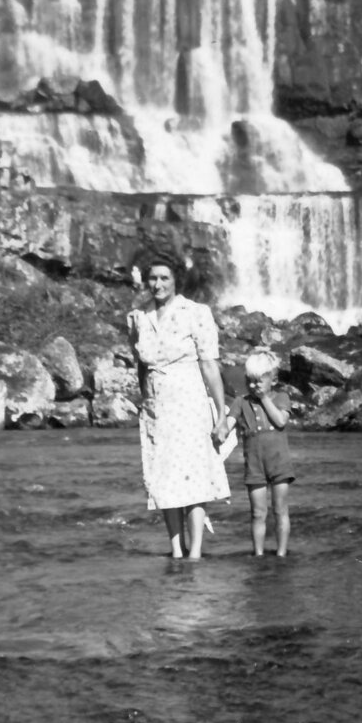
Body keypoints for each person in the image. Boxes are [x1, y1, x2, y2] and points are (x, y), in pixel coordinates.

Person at [127, 238, 230, 559]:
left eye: (164, 278)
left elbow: (210, 366)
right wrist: (145, 402)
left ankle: (195, 552)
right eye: (153, 278)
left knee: (193, 477)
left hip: (190, 405)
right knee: (163, 479)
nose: (157, 284)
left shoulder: (196, 313)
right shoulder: (137, 318)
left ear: (175, 281)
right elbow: (140, 366)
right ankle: (176, 549)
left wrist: (222, 415)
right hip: (157, 410)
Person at [222, 349, 295, 557]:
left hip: (279, 463)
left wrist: (264, 399)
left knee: (280, 510)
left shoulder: (281, 397)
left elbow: (280, 421)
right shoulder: (240, 402)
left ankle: (281, 554)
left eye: (258, 381)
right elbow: (228, 425)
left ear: (273, 379)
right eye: (250, 381)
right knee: (257, 513)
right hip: (255, 466)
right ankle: (259, 554)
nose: (253, 386)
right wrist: (220, 429)